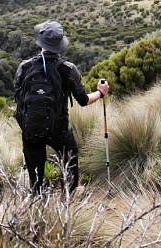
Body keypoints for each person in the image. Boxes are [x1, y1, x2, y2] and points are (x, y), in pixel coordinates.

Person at [14, 20, 111, 193]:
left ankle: (37, 204)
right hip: (58, 129)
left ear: (40, 42)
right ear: (60, 45)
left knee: (35, 178)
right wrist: (101, 93)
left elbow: (19, 98)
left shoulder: (24, 67)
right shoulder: (68, 69)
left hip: (31, 129)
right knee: (70, 158)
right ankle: (70, 194)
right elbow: (83, 100)